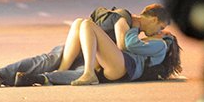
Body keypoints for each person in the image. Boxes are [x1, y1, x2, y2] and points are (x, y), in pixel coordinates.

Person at [0, 3, 170, 87]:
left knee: (49, 61)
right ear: (153, 19)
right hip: (89, 51)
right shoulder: (126, 20)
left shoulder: (126, 20)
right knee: (50, 59)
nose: (158, 31)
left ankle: (3, 76)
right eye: (160, 26)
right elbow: (122, 47)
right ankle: (0, 74)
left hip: (90, 52)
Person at [21, 17, 181, 86]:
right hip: (120, 64)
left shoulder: (162, 44)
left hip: (125, 66)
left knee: (88, 25)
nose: (160, 31)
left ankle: (88, 72)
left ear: (168, 37)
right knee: (79, 23)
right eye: (161, 28)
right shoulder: (154, 44)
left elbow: (130, 45)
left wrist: (135, 26)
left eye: (163, 30)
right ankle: (47, 76)